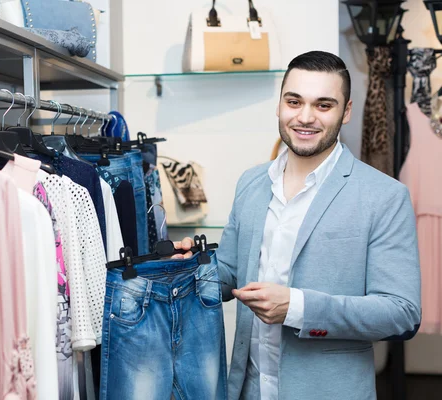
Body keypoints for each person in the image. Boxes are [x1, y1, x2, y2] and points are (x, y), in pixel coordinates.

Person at [175, 51, 421, 400]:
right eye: (294, 102)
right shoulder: (251, 182)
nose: (305, 117)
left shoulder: (385, 196)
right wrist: (191, 268)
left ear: (346, 111)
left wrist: (298, 308)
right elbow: (230, 270)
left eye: (324, 105)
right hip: (247, 390)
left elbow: (402, 314)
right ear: (279, 105)